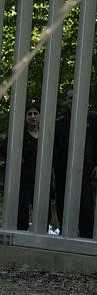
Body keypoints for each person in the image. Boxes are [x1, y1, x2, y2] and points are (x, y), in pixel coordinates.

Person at [52, 86, 97, 238]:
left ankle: (87, 238)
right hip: (63, 171)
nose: (73, 100)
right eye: (70, 98)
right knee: (64, 203)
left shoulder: (93, 118)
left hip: (87, 170)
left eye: (76, 97)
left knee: (86, 206)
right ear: (66, 100)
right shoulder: (59, 122)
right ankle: (65, 236)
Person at [16, 102, 41, 231]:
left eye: (35, 113)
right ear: (25, 118)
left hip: (42, 179)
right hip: (24, 179)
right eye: (29, 114)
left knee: (43, 211)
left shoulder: (46, 134)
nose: (33, 116)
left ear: (40, 116)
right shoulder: (20, 135)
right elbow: (1, 148)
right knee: (22, 213)